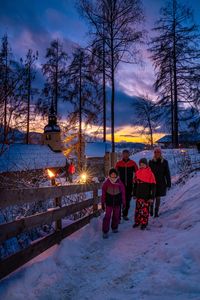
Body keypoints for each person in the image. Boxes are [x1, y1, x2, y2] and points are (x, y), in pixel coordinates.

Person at [101, 168, 125, 239]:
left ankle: (114, 227)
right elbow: (103, 194)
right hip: (109, 203)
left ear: (116, 175)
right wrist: (102, 203)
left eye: (114, 174)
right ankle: (105, 231)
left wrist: (124, 202)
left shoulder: (119, 183)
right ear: (110, 175)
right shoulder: (106, 183)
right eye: (112, 174)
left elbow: (123, 193)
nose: (113, 175)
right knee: (107, 217)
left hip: (117, 203)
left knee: (116, 216)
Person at [133, 158, 156, 230]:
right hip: (139, 194)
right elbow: (135, 184)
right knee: (138, 209)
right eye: (140, 164)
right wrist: (134, 194)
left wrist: (152, 197)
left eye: (143, 164)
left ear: (146, 164)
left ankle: (144, 223)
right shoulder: (137, 173)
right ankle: (137, 221)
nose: (142, 166)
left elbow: (153, 186)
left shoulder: (150, 173)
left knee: (145, 210)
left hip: (146, 195)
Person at [116, 149, 138, 220]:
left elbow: (137, 173)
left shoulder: (133, 163)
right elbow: (114, 174)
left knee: (128, 201)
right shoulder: (118, 163)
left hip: (129, 185)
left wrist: (135, 180)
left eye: (127, 154)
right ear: (122, 155)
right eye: (124, 154)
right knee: (119, 200)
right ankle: (118, 216)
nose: (125, 155)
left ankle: (125, 214)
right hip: (120, 185)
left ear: (129, 154)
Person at [149, 147, 171, 217]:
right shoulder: (151, 162)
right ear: (154, 153)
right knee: (152, 197)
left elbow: (167, 173)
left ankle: (156, 212)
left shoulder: (164, 162)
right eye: (155, 152)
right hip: (152, 182)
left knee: (158, 198)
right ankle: (151, 210)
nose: (157, 153)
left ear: (160, 153)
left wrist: (168, 183)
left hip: (161, 182)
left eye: (158, 152)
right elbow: (148, 173)